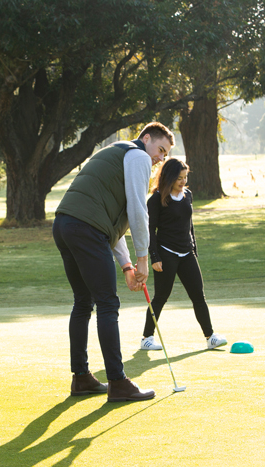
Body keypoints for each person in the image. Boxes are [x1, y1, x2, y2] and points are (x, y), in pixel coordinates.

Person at [53, 122, 174, 402]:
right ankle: (118, 383)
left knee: (84, 302)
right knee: (107, 303)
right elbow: (137, 208)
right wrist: (143, 258)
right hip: (85, 228)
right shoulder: (138, 155)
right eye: (160, 150)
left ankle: (81, 378)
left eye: (165, 154)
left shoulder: (117, 152)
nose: (160, 158)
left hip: (65, 225)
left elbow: (110, 221)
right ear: (146, 139)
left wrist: (127, 265)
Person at [142, 157, 227, 351]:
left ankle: (210, 337)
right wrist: (154, 257)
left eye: (185, 177)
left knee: (198, 295)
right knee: (161, 297)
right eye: (179, 178)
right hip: (166, 254)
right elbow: (150, 230)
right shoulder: (156, 200)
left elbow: (190, 225)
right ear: (169, 177)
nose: (183, 182)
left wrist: (194, 248)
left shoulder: (187, 195)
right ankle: (147, 337)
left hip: (186, 253)